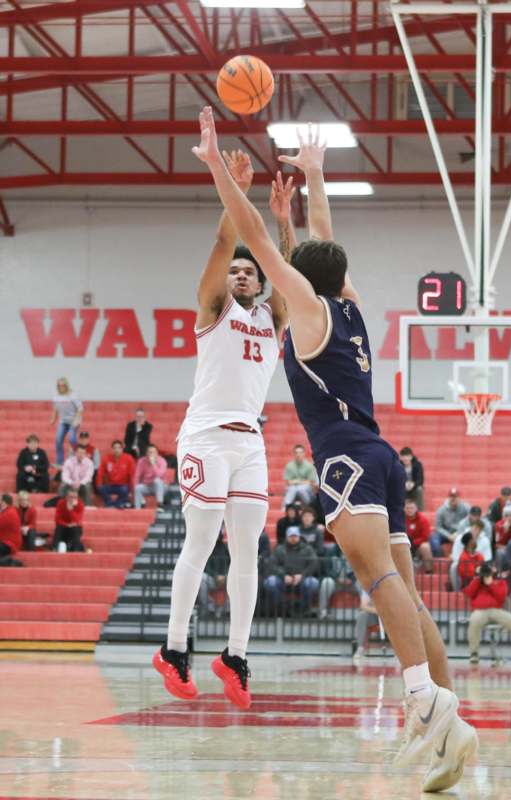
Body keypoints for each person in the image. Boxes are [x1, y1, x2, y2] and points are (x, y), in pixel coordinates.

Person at [195, 107, 476, 788]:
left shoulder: (309, 309)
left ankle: (423, 702)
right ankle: (446, 725)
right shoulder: (346, 304)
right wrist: (314, 178)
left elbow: (261, 241)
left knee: (378, 584)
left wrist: (215, 169)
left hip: (346, 456)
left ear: (298, 277)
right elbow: (320, 243)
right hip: (379, 453)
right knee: (404, 593)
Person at [153, 150, 290, 712]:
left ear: (259, 281)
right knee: (202, 541)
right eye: (236, 270)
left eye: (248, 270)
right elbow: (219, 248)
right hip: (206, 436)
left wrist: (283, 221)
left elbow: (287, 270)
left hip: (249, 441)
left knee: (249, 552)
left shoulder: (272, 318)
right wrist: (232, 191)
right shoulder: (214, 309)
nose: (240, 273)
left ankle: (235, 655)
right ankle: (174, 648)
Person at [463, 562, 511, 667]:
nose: (486, 574)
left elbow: (501, 597)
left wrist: (490, 584)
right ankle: (474, 653)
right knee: (474, 620)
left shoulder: (500, 582)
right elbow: (468, 593)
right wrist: (478, 579)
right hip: (480, 611)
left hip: (496, 610)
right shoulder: (477, 582)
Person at [263, 528, 319, 615]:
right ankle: (280, 608)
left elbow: (314, 564)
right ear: (287, 537)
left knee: (312, 583)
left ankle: (304, 609)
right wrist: (283, 575)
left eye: (295, 536)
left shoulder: (308, 549)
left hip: (302, 579)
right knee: (270, 582)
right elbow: (272, 565)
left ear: (299, 537)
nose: (293, 538)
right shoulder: (279, 549)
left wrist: (302, 575)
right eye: (291, 536)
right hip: (282, 579)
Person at [318, 542, 357, 620]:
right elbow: (327, 569)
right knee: (327, 581)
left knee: (363, 583)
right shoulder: (331, 551)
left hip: (351, 582)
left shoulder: (355, 551)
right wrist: (336, 578)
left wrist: (352, 579)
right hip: (336, 582)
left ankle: (365, 612)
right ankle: (323, 611)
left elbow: (360, 569)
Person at [51, 377, 83, 469]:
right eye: (59, 385)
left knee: (72, 439)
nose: (61, 387)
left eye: (63, 385)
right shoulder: (56, 397)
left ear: (66, 385)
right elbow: (55, 409)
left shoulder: (72, 395)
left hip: (73, 421)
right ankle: (60, 461)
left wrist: (76, 420)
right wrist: (53, 418)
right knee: (58, 440)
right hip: (63, 421)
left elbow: (80, 408)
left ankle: (78, 454)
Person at [450, 519, 491, 591]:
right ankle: (457, 590)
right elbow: (456, 558)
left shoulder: (483, 544)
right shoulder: (461, 540)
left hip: (478, 575)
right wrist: (476, 571)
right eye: (475, 528)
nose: (476, 531)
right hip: (466, 575)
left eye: (479, 529)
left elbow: (486, 560)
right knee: (454, 566)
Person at [199, 530, 230, 618]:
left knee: (236, 580)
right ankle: (209, 608)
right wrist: (216, 576)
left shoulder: (225, 548)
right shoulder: (207, 548)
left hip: (225, 579)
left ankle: (226, 610)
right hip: (212, 578)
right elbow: (205, 567)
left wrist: (225, 575)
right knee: (201, 578)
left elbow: (230, 564)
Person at [430, 488, 470, 557]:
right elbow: (438, 527)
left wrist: (459, 533)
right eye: (451, 497)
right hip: (446, 533)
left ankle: (466, 557)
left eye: (455, 497)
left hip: (461, 532)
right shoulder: (441, 510)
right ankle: (440, 560)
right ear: (448, 498)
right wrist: (449, 536)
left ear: (459, 498)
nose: (453, 499)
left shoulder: (466, 507)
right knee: (434, 538)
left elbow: (470, 521)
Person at [97, 440, 136, 508]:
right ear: (112, 449)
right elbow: (100, 473)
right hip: (110, 485)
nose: (117, 450)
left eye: (119, 448)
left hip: (123, 485)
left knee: (125, 490)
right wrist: (99, 484)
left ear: (122, 449)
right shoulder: (106, 458)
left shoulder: (129, 458)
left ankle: (115, 504)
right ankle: (111, 504)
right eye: (115, 448)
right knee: (100, 488)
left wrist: (131, 489)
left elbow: (132, 475)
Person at [134, 444, 168, 509]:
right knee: (137, 488)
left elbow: (159, 475)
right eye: (149, 452)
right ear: (146, 453)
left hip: (161, 487)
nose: (151, 454)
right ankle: (137, 509)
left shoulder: (162, 461)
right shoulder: (141, 461)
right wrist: (135, 486)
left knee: (157, 480)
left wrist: (153, 464)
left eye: (153, 452)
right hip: (147, 485)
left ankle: (160, 504)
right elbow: (137, 476)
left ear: (157, 453)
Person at [352, 590, 380, 664]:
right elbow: (363, 606)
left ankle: (400, 652)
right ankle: (360, 647)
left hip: (389, 615)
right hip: (374, 615)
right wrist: (376, 610)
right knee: (362, 615)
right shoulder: (368, 588)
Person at [405, 499, 433, 573]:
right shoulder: (401, 520)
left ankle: (429, 571)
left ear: (416, 508)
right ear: (404, 509)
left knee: (425, 546)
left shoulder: (423, 520)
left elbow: (425, 537)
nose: (409, 510)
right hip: (405, 544)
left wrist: (413, 543)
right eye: (407, 508)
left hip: (418, 545)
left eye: (412, 508)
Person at [0, 494, 22, 564]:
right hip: (6, 543)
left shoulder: (9, 513)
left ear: (3, 502)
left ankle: (11, 562)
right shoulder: (8, 511)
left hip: (9, 544)